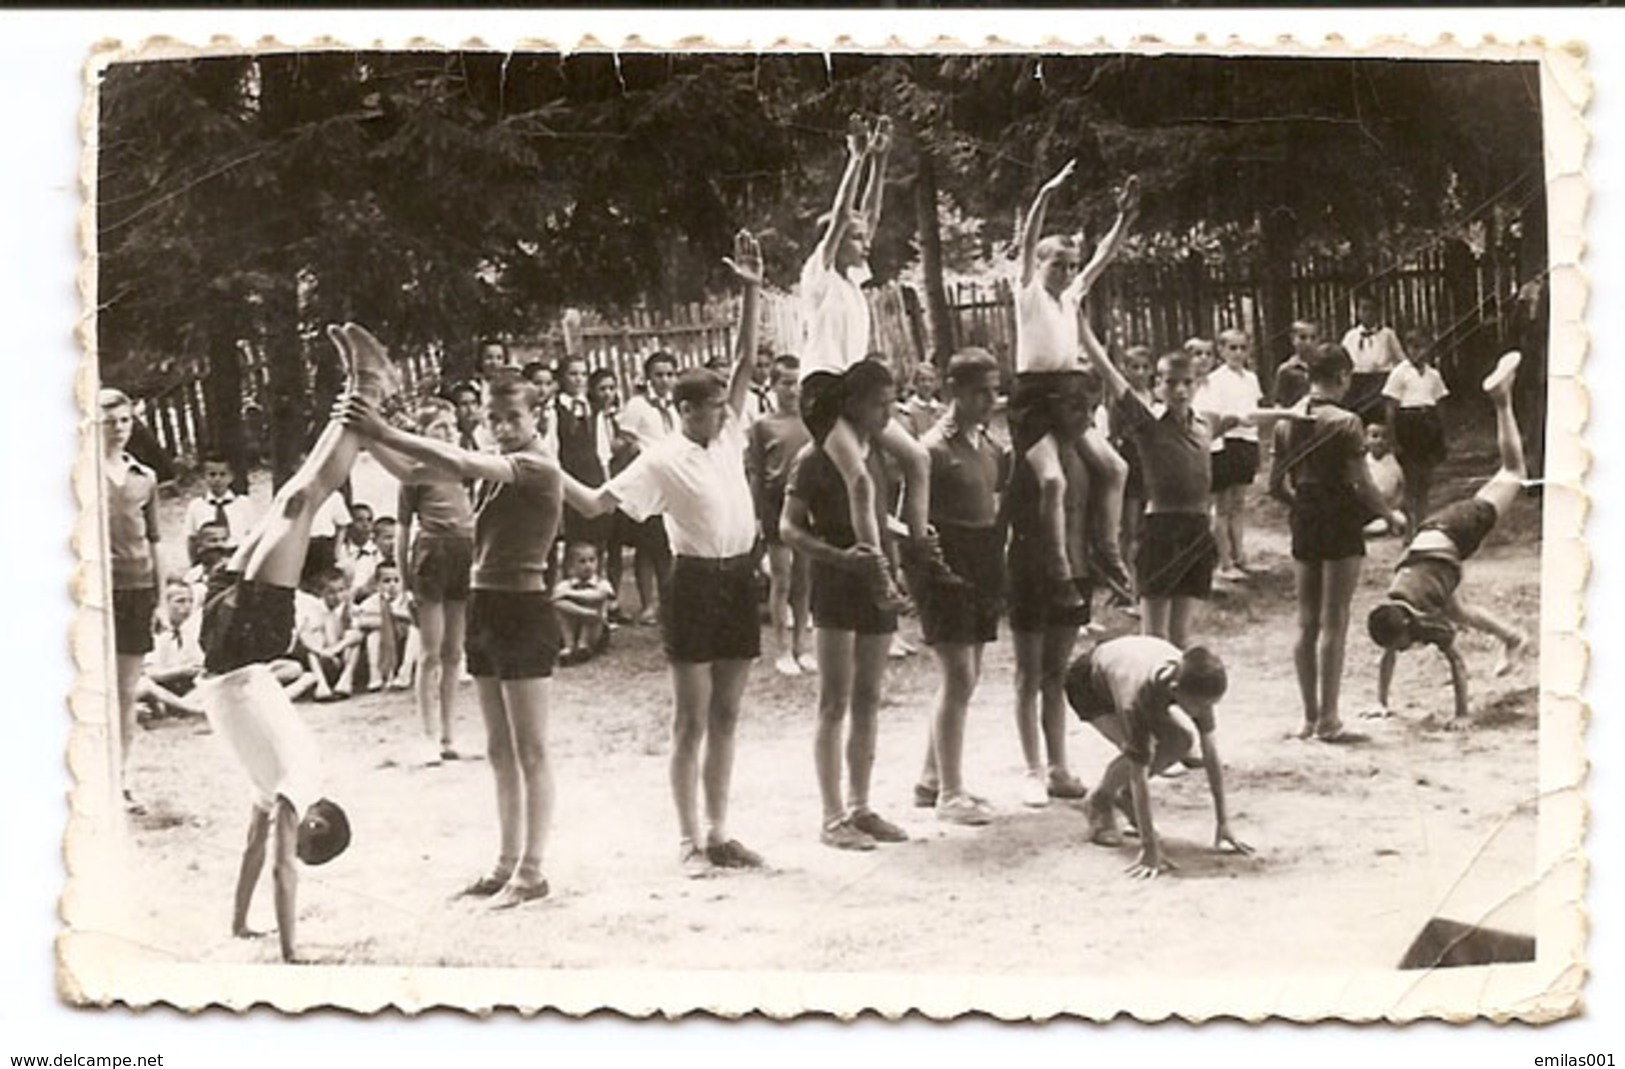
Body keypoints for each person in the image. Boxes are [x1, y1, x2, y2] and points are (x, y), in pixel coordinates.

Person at [562, 231, 768, 875]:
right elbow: (597, 504)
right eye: (708, 409)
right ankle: (687, 840)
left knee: (729, 714)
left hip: (739, 580)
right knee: (691, 720)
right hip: (696, 584)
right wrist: (545, 470)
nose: (721, 413)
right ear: (683, 410)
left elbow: (740, 363)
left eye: (720, 407)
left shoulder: (729, 434)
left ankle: (719, 829)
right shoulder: (660, 458)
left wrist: (752, 289)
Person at [345, 339, 565, 909]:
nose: (503, 426)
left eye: (514, 415)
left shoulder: (535, 465)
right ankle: (505, 862)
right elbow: (425, 470)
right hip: (486, 605)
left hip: (524, 608)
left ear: (536, 413)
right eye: (493, 418)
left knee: (531, 749)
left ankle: (533, 869)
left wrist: (384, 429)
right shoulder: (500, 469)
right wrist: (370, 435)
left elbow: (460, 462)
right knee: (498, 747)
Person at [193, 321, 388, 960]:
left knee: (290, 497)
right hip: (245, 647)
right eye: (300, 840)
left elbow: (255, 853)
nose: (289, 844)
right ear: (314, 821)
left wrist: (236, 924)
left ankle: (360, 394)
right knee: (301, 500)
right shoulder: (300, 782)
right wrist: (290, 950)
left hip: (227, 646)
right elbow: (279, 866)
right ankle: (365, 393)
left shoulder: (272, 788)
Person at [797, 113, 953, 612]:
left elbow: (870, 213)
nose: (865, 243)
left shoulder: (853, 280)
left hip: (857, 386)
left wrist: (881, 159)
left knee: (917, 458)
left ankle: (918, 548)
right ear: (836, 242)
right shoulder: (818, 275)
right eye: (856, 238)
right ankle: (877, 572)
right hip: (823, 389)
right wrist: (856, 157)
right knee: (861, 479)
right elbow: (846, 212)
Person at [783, 359, 911, 851]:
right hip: (836, 584)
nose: (888, 411)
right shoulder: (814, 459)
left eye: (891, 401)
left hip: (873, 582)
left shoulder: (874, 453)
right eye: (880, 403)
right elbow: (788, 529)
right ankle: (832, 815)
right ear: (853, 404)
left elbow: (880, 517)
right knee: (834, 700)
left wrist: (904, 541)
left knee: (869, 698)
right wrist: (838, 556)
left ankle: (861, 805)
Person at [1364, 352, 1530, 728]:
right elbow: (1386, 655)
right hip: (1437, 539)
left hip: (1454, 532)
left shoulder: (1422, 619)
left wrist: (1462, 716)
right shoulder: (1398, 609)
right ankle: (1514, 638)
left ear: (1407, 627)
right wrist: (1381, 702)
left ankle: (1501, 399)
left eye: (1401, 645)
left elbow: (1456, 660)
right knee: (1459, 611)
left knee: (1513, 472)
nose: (1400, 652)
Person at [1012, 159, 1139, 605]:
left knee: (1115, 468)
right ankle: (1061, 569)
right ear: (1040, 265)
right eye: (1058, 265)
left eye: (1071, 266)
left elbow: (1103, 256)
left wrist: (1125, 217)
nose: (1066, 273)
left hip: (1068, 394)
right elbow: (1028, 240)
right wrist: (1047, 192)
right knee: (1052, 482)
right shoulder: (1027, 293)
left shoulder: (1071, 298)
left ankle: (1106, 551)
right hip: (1033, 396)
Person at [1269, 343, 1407, 743]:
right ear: (1343, 377)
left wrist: (1302, 505)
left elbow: (1275, 485)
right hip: (1340, 514)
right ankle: (1329, 717)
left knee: (1306, 620)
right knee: (1336, 619)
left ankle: (1308, 718)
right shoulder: (1346, 422)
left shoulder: (1285, 420)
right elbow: (1363, 484)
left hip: (1306, 514)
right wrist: (1388, 515)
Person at [909, 350, 1008, 826]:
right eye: (980, 392)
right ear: (953, 391)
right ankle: (951, 793)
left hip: (983, 559)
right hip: (945, 563)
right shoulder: (930, 449)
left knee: (969, 676)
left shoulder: (989, 445)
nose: (991, 400)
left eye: (994, 389)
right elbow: (913, 520)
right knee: (959, 677)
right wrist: (930, 570)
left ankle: (931, 778)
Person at [1079, 323, 1218, 649]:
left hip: (1197, 530)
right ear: (1157, 387)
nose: (1180, 391)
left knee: (1181, 635)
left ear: (1197, 385)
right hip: (1162, 530)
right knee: (1154, 636)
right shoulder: (1148, 426)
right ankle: (1146, 695)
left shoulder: (1205, 424)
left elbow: (1247, 418)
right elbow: (1111, 375)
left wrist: (1288, 413)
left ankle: (1175, 697)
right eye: (1171, 383)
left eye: (1187, 383)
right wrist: (1082, 330)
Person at [1065, 637, 1252, 878]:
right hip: (1088, 684)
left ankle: (1125, 797)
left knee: (1181, 741)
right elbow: (1138, 771)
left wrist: (1223, 823)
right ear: (1176, 692)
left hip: (1129, 668)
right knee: (1140, 750)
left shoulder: (1195, 682)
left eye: (1210, 706)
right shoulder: (1138, 696)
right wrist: (1149, 848)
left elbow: (1211, 752)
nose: (1204, 712)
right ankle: (1099, 801)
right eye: (1199, 706)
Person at [1005, 368, 1095, 807]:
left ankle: (1059, 764)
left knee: (1056, 673)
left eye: (1091, 409)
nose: (1084, 417)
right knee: (1028, 673)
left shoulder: (1085, 454)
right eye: (1075, 407)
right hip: (1032, 572)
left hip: (1077, 571)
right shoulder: (1033, 455)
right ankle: (1031, 769)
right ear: (1052, 409)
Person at [380, 398, 475, 765]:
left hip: (463, 555)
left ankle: (450, 735)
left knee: (454, 652)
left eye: (452, 426)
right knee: (431, 652)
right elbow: (403, 531)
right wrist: (404, 582)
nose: (449, 433)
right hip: (431, 556)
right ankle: (428, 736)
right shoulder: (415, 474)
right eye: (440, 428)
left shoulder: (466, 467)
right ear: (421, 434)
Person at [101, 388, 162, 813]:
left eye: (124, 421)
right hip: (94, 594)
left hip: (136, 590)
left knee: (124, 692)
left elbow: (154, 541)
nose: (119, 429)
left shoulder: (145, 476)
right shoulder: (80, 474)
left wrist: (157, 597)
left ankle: (119, 781)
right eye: (110, 422)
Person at [746, 354, 814, 676]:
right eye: (785, 383)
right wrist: (757, 514)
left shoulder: (814, 419)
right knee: (782, 578)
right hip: (776, 504)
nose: (793, 389)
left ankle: (803, 646)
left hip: (808, 503)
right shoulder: (762, 425)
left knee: (804, 577)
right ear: (772, 386)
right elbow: (757, 473)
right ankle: (782, 649)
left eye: (797, 382)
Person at [619, 350, 681, 624]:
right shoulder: (637, 406)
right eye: (659, 375)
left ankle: (670, 602)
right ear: (648, 378)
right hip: (649, 480)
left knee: (669, 544)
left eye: (669, 374)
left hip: (675, 479)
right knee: (647, 545)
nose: (665, 380)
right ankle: (648, 605)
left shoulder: (678, 405)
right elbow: (625, 440)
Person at [1200, 329, 1264, 581]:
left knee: (1239, 503)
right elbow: (1217, 417)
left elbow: (1254, 410)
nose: (1238, 353)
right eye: (1232, 348)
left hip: (1247, 441)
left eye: (1242, 348)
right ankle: (1224, 562)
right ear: (1221, 350)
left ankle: (1240, 556)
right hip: (1227, 442)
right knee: (1223, 505)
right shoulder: (1215, 380)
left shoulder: (1251, 379)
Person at [1384, 328, 1451, 539]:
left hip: (1427, 427)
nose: (1418, 352)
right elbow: (1390, 408)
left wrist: (1441, 434)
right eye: (1413, 347)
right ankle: (1409, 528)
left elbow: (1440, 406)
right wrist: (1393, 439)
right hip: (1408, 426)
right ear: (1406, 349)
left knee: (1425, 479)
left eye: (1423, 347)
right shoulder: (1399, 373)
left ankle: (1422, 524)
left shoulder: (1434, 375)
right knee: (1410, 480)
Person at [138, 577, 207, 719]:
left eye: (190, 601)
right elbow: (148, 673)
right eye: (180, 601)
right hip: (157, 687)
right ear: (164, 605)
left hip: (181, 688)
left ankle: (177, 707)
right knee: (145, 685)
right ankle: (190, 709)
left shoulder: (188, 632)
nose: (187, 607)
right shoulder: (154, 633)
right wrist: (181, 671)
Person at [297, 569, 363, 701]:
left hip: (341, 657)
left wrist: (336, 649)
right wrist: (323, 651)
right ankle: (321, 686)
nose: (338, 596)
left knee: (353, 636)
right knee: (314, 638)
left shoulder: (348, 608)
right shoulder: (315, 609)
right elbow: (304, 636)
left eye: (341, 590)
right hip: (323, 660)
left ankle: (346, 680)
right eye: (331, 592)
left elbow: (358, 635)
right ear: (322, 593)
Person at [1340, 295, 1407, 423]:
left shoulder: (1387, 334)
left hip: (1380, 381)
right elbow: (1342, 361)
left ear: (1378, 312)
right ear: (1357, 312)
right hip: (1357, 383)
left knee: (1380, 417)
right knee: (1357, 415)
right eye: (1364, 309)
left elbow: (1401, 360)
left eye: (1372, 309)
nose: (1368, 313)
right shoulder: (1350, 336)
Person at [354, 560, 415, 692]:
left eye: (396, 580)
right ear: (377, 585)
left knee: (415, 631)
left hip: (405, 641)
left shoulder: (408, 599)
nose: (392, 585)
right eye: (386, 581)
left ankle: (404, 674)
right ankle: (375, 676)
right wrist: (385, 620)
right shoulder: (372, 601)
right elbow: (358, 620)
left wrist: (400, 616)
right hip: (384, 641)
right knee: (373, 634)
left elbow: (421, 619)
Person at [551, 542, 614, 666]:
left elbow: (599, 595)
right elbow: (554, 599)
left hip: (596, 629)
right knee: (559, 606)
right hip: (572, 628)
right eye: (582, 561)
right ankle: (568, 646)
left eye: (592, 560)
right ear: (571, 566)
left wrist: (570, 594)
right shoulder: (565, 584)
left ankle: (583, 645)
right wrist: (583, 612)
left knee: (592, 602)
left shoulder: (602, 583)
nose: (588, 565)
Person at [184, 454, 256, 549]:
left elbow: (253, 536)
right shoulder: (196, 506)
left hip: (238, 556)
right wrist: (195, 563)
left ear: (231, 477)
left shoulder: (243, 503)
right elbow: (191, 539)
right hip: (210, 558)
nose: (217, 479)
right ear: (204, 477)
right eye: (212, 474)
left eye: (222, 474)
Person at [1361, 422, 1408, 537]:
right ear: (1365, 440)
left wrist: (1396, 504)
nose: (1380, 441)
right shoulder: (1364, 463)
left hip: (1391, 507)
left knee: (1402, 521)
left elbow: (1401, 487)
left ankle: (1388, 524)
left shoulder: (1393, 462)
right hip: (1369, 509)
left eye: (1384, 437)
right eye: (1375, 436)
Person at [1275, 321, 1318, 408]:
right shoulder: (1286, 370)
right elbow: (1279, 403)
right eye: (1303, 338)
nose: (1308, 343)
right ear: (1293, 339)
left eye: (1313, 338)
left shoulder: (1323, 366)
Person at [897, 362, 946, 439]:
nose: (927, 384)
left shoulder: (943, 411)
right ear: (915, 382)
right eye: (922, 380)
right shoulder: (907, 410)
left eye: (931, 380)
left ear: (936, 384)